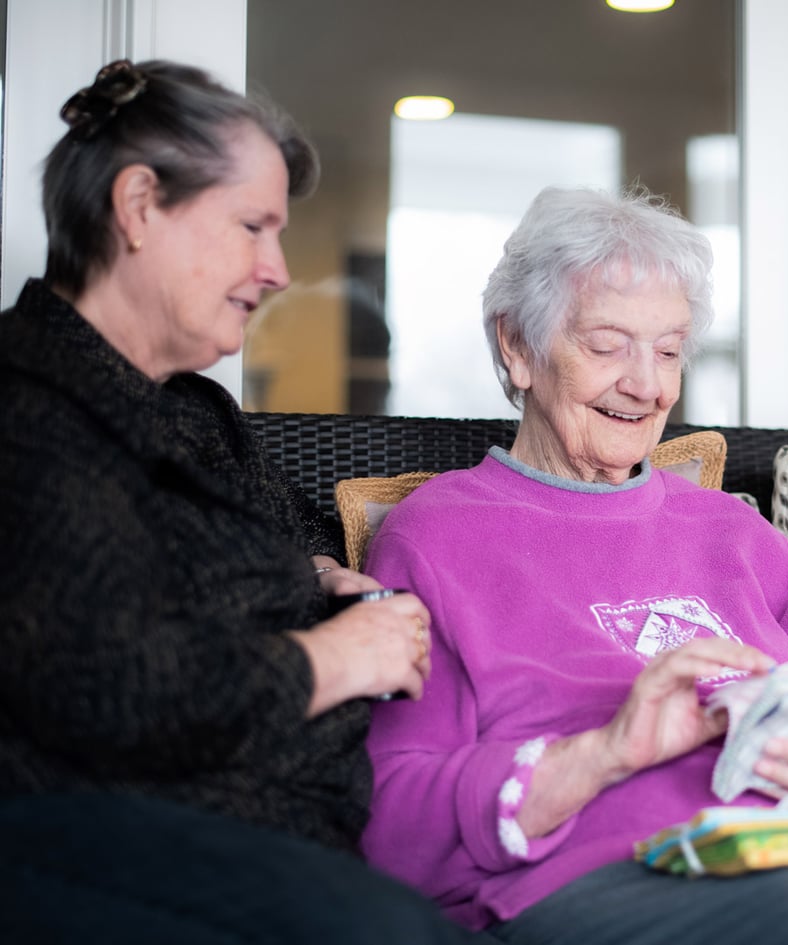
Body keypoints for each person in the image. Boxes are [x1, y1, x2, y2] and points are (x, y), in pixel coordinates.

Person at [360, 186, 788, 945]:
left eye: (667, 350)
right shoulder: (439, 533)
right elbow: (391, 819)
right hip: (612, 879)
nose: (647, 384)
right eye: (607, 345)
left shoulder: (734, 530)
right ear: (516, 346)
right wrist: (602, 754)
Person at [0, 58, 482, 944]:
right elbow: (107, 688)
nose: (277, 270)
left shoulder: (188, 405)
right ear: (140, 205)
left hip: (278, 839)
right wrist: (340, 658)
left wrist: (326, 573)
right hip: (108, 839)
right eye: (252, 226)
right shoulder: (29, 407)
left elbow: (286, 531)